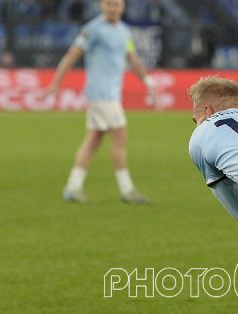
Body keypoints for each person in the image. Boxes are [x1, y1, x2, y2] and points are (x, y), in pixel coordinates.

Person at [43, 0, 155, 204]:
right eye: (109, 4)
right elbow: (71, 55)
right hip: (101, 94)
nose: (113, 8)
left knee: (94, 139)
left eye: (116, 4)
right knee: (120, 137)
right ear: (102, 6)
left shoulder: (124, 31)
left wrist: (148, 81)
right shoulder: (93, 29)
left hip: (110, 94)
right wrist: (55, 84)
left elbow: (132, 58)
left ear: (122, 7)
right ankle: (127, 189)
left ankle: (73, 187)